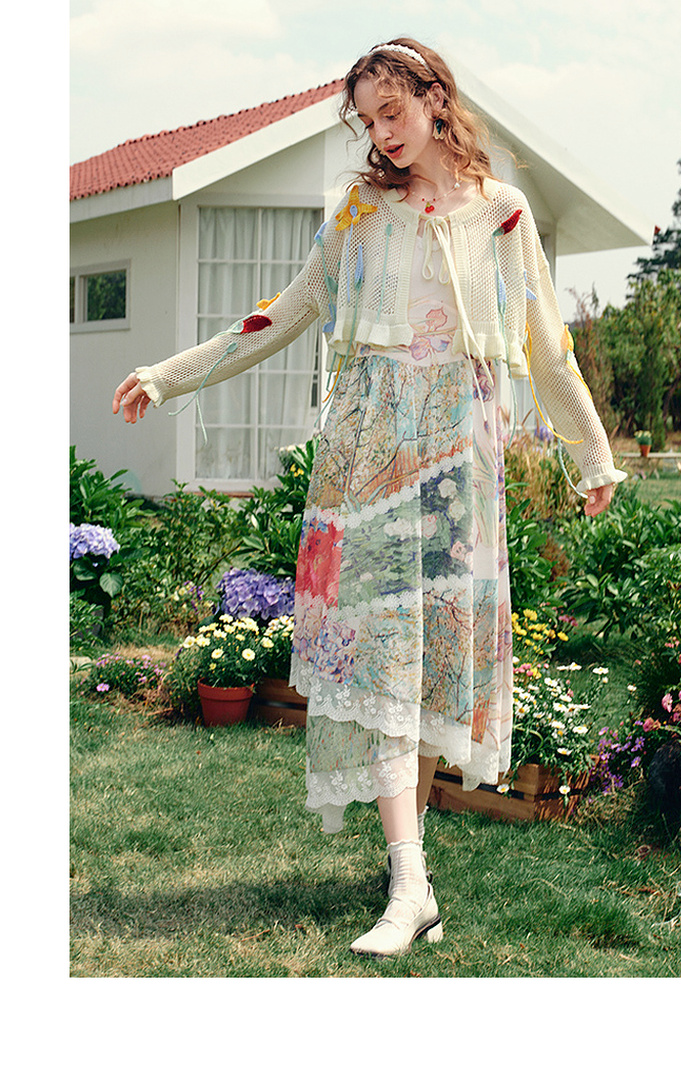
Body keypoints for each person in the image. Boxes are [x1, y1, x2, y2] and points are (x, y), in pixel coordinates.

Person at [112, 37, 626, 959]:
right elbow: (280, 313)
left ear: (436, 100)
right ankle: (408, 881)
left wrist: (595, 457)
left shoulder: (505, 216)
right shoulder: (357, 214)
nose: (382, 133)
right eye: (369, 119)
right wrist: (169, 373)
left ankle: (411, 876)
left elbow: (547, 347)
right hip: (366, 464)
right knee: (383, 662)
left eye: (394, 111)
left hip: (458, 471)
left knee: (425, 671)